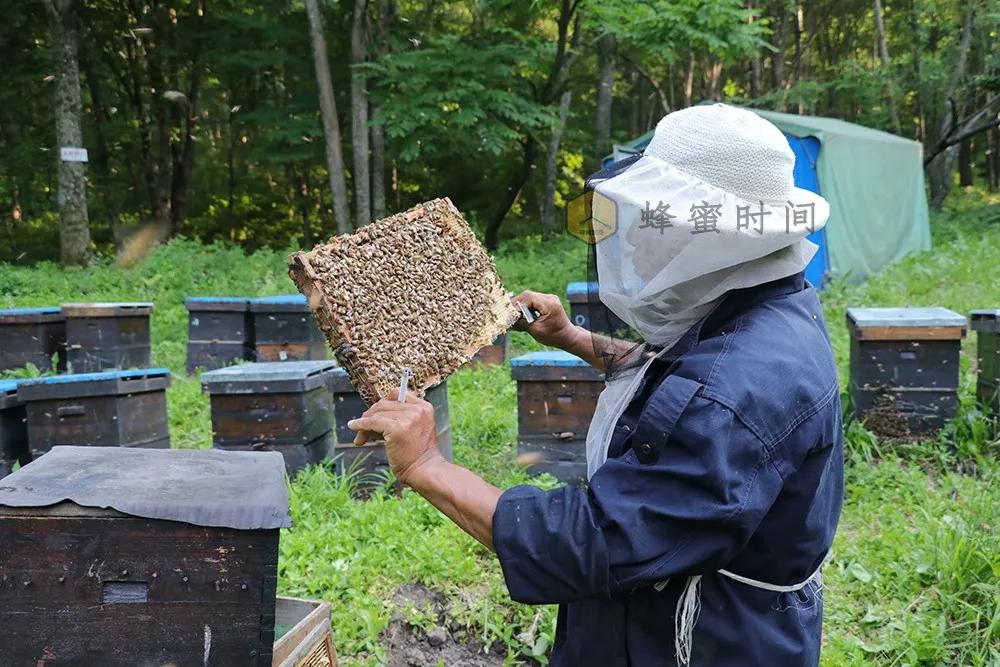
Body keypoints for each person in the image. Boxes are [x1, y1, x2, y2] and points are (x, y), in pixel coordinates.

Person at [348, 104, 844, 666]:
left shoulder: (735, 393)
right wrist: (576, 339)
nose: (632, 242)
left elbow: (594, 542)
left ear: (715, 239)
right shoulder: (771, 309)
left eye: (655, 223)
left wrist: (426, 466)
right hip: (692, 613)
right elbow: (681, 374)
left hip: (701, 641)